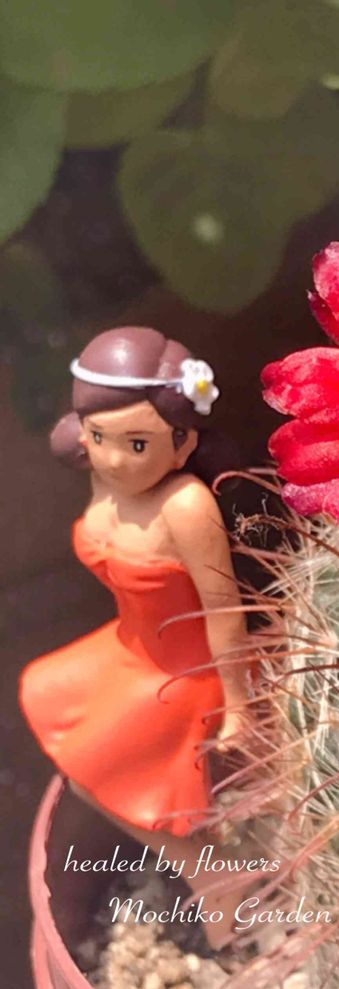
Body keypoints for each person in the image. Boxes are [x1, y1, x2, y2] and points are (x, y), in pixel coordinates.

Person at [19, 326, 251, 947]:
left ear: (183, 442)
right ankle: (204, 861)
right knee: (46, 693)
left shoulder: (185, 507)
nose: (115, 459)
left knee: (92, 765)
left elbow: (224, 611)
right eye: (99, 438)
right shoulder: (106, 477)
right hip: (128, 648)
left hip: (183, 670)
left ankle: (208, 871)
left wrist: (240, 702)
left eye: (138, 443)